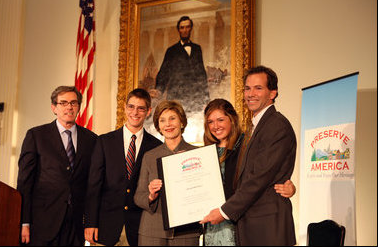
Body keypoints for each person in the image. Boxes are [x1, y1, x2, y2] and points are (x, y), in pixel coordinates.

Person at [200, 66, 297, 246]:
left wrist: (223, 212)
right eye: (247, 88)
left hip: (267, 228)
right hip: (252, 226)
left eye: (258, 88)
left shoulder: (277, 126)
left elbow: (259, 177)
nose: (251, 93)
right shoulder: (257, 127)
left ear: (272, 93)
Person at [17, 86, 98, 245]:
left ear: (79, 107)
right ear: (54, 108)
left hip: (75, 226)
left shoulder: (92, 139)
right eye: (63, 103)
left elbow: (93, 184)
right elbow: (25, 183)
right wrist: (23, 222)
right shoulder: (36, 136)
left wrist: (90, 221)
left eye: (74, 103)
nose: (69, 107)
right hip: (42, 224)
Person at [83, 88, 162, 246]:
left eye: (141, 108)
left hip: (140, 228)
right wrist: (90, 222)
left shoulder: (156, 147)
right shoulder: (104, 142)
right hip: (105, 227)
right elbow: (94, 185)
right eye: (131, 106)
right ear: (125, 108)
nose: (135, 112)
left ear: (148, 111)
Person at [134, 100, 202, 246]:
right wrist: (151, 195)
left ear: (182, 122)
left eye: (172, 118)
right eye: (162, 120)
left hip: (186, 232)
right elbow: (138, 197)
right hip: (151, 232)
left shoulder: (197, 154)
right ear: (158, 126)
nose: (168, 124)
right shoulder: (149, 156)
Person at [152, 16, 210, 114]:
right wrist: (159, 90)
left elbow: (201, 73)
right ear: (178, 30)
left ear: (191, 28)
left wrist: (206, 97)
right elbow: (164, 72)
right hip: (176, 96)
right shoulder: (171, 51)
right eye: (182, 28)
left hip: (194, 96)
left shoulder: (197, 49)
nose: (185, 30)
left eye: (187, 27)